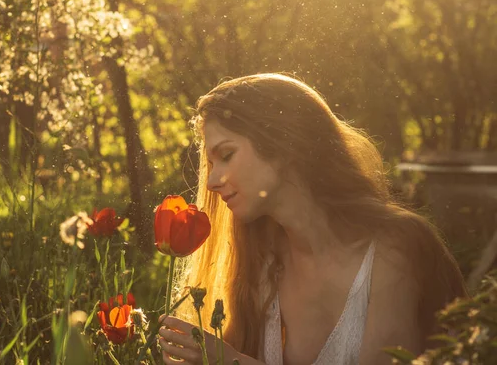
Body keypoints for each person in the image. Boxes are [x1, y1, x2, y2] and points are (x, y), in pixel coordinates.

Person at [158, 73, 468, 365]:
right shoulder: (261, 266)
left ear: (283, 144)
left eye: (226, 156)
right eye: (211, 164)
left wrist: (231, 361)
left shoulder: (394, 250)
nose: (212, 181)